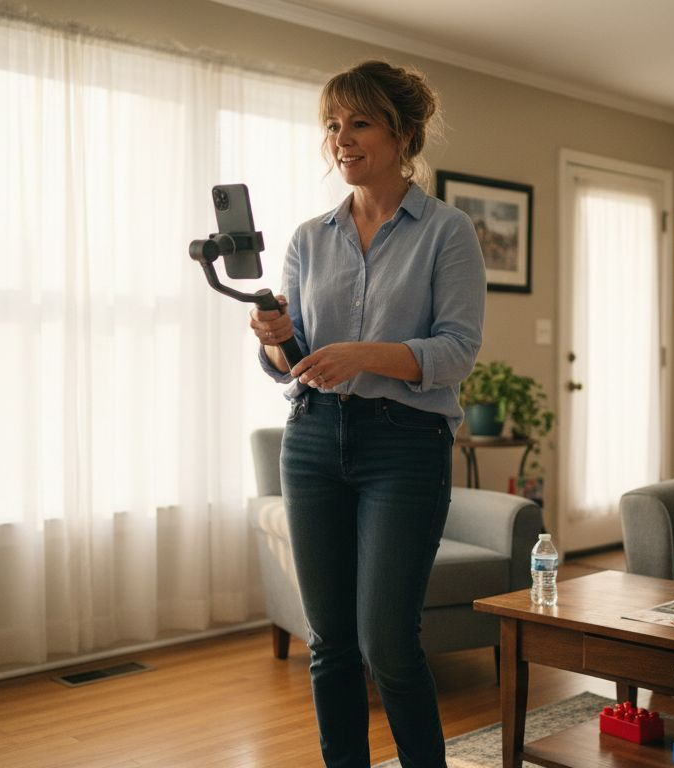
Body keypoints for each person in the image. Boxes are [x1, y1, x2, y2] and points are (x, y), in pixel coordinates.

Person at [248, 60, 485, 768]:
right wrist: (275, 338)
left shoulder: (447, 232)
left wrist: (365, 356)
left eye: (359, 123)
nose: (341, 139)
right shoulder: (309, 238)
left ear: (403, 133)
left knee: (387, 644)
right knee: (330, 644)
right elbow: (291, 362)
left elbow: (457, 351)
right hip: (313, 439)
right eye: (332, 125)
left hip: (405, 445)